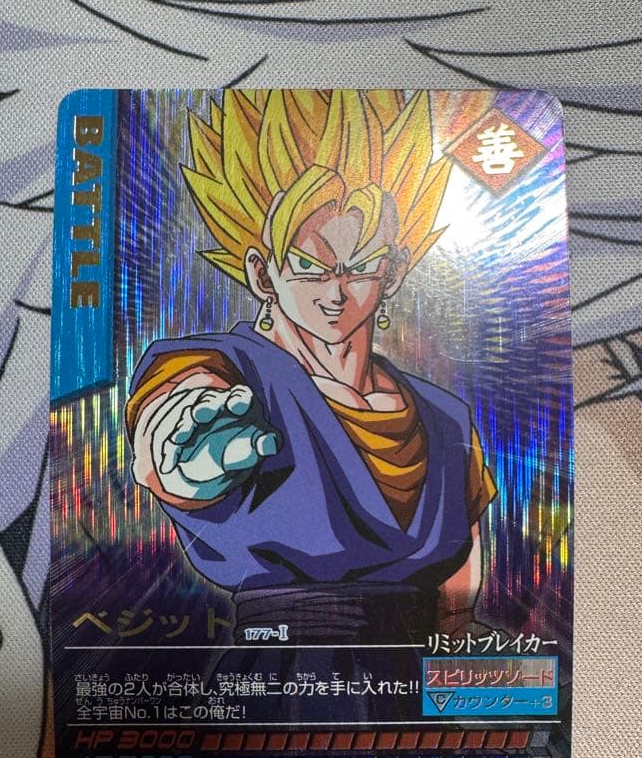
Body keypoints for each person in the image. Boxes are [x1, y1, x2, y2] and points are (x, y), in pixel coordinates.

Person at [126, 89, 496, 645]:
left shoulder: (445, 418)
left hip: (415, 681)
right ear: (262, 273)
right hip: (286, 671)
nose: (336, 293)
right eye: (309, 268)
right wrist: (180, 448)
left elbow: (457, 603)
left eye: (360, 268)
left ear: (394, 272)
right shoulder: (234, 372)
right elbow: (181, 398)